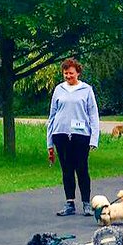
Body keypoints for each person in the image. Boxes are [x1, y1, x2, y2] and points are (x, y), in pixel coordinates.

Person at [46, 58, 101, 217]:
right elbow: (52, 116)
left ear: (78, 73)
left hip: (80, 135)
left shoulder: (86, 90)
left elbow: (93, 115)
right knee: (66, 170)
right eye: (65, 73)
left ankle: (86, 203)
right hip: (61, 134)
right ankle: (69, 202)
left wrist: (94, 139)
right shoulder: (58, 89)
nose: (68, 76)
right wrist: (49, 142)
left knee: (82, 169)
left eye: (71, 73)